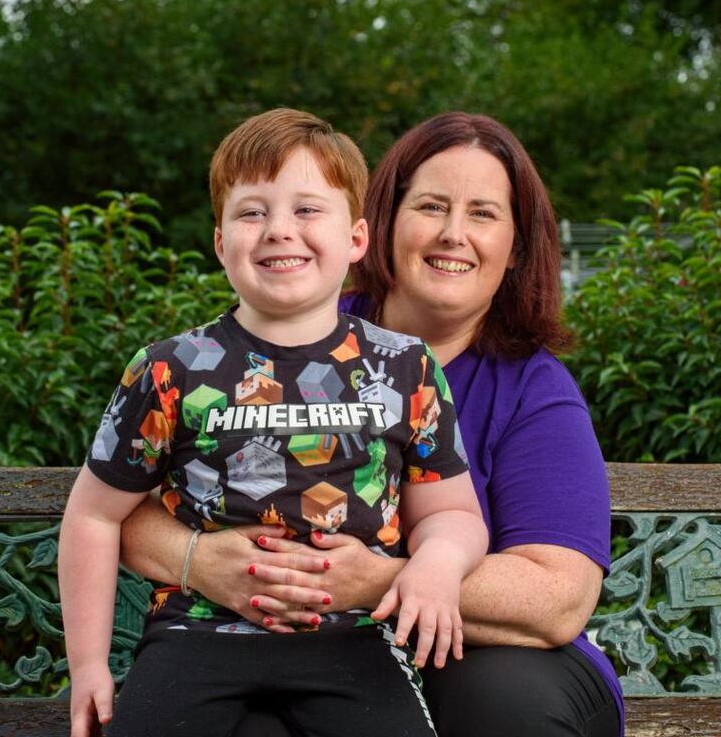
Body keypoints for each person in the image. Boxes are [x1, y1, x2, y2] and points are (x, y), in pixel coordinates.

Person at [119, 111, 624, 737]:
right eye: (432, 206)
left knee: (498, 702)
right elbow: (122, 506)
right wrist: (205, 560)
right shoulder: (294, 318)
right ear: (380, 224)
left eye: (484, 214)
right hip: (291, 646)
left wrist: (377, 579)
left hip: (494, 656)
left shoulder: (533, 390)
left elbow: (557, 600)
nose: (453, 234)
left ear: (517, 247)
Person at [58, 108, 488, 737]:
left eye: (308, 210)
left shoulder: (403, 367)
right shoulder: (170, 368)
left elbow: (453, 513)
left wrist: (437, 565)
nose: (278, 231)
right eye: (252, 212)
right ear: (220, 241)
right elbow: (94, 515)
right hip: (193, 636)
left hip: (354, 639)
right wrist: (88, 665)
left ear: (357, 239)